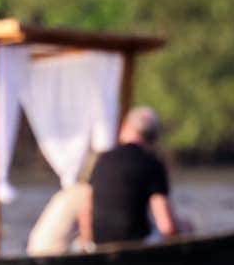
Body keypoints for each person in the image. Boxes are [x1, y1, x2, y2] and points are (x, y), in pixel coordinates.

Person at [79, 106, 187, 247]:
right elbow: (166, 225)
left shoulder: (101, 160)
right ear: (154, 137)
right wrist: (183, 230)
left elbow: (85, 211)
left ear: (125, 127)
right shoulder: (152, 164)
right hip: (134, 249)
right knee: (186, 226)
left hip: (99, 247)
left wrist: (88, 247)